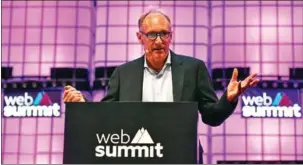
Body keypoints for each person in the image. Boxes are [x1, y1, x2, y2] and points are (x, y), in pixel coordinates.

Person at [63, 8, 259, 127]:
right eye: (152, 35)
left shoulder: (194, 68)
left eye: (164, 34)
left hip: (180, 155)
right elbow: (107, 118)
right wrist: (83, 104)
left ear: (171, 36)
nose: (159, 41)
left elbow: (211, 117)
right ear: (140, 38)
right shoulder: (123, 74)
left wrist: (229, 98)